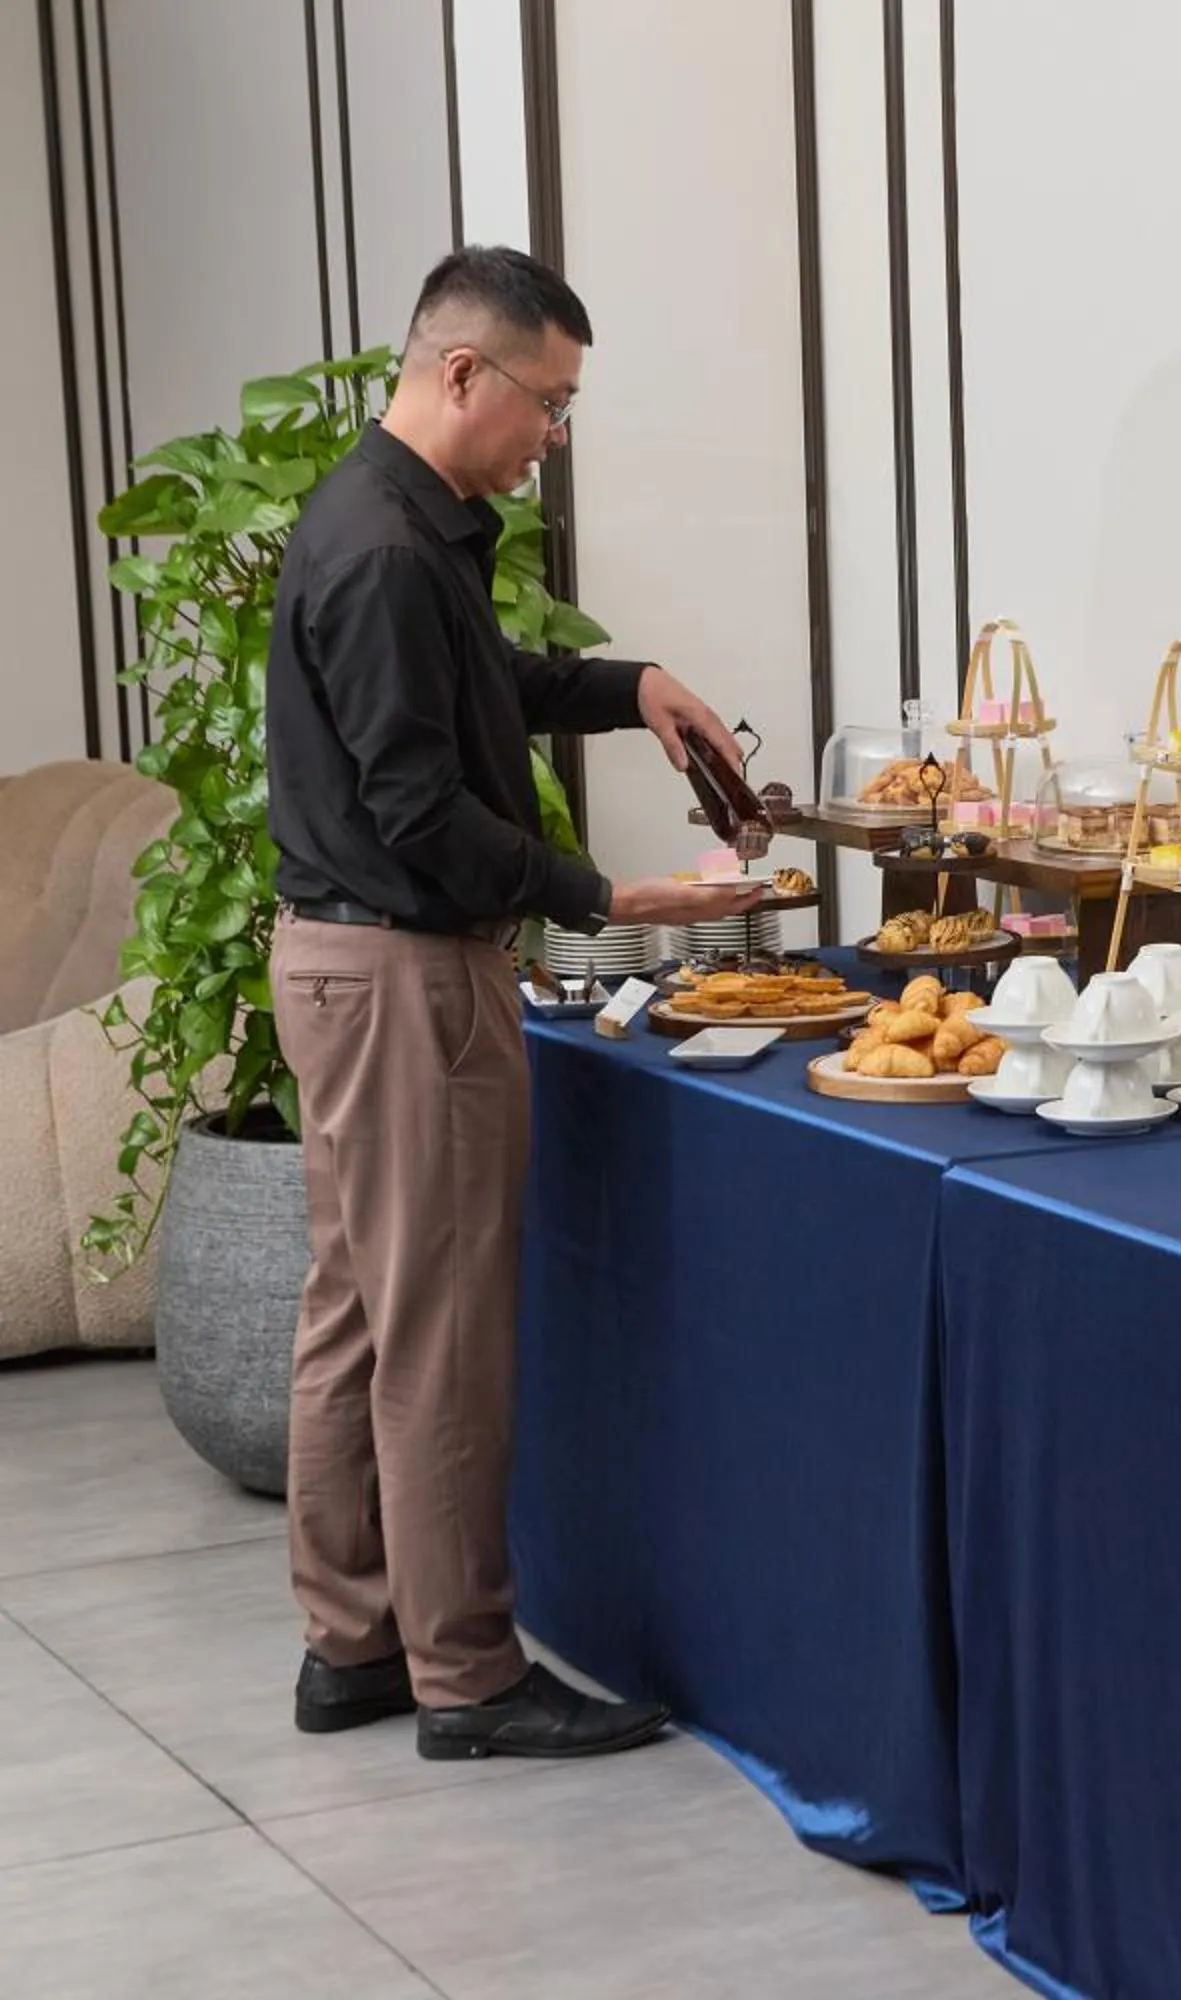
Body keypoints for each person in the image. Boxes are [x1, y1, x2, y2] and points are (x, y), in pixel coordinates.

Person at [264, 245, 762, 1760]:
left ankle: (351, 1643)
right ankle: (468, 1679)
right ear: (460, 372)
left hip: (346, 969)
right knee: (442, 1335)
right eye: (550, 401)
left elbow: (481, 691)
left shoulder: (400, 523)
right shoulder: (387, 555)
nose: (556, 434)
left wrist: (631, 687)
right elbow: (421, 808)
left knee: (357, 1312)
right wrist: (607, 898)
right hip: (410, 977)